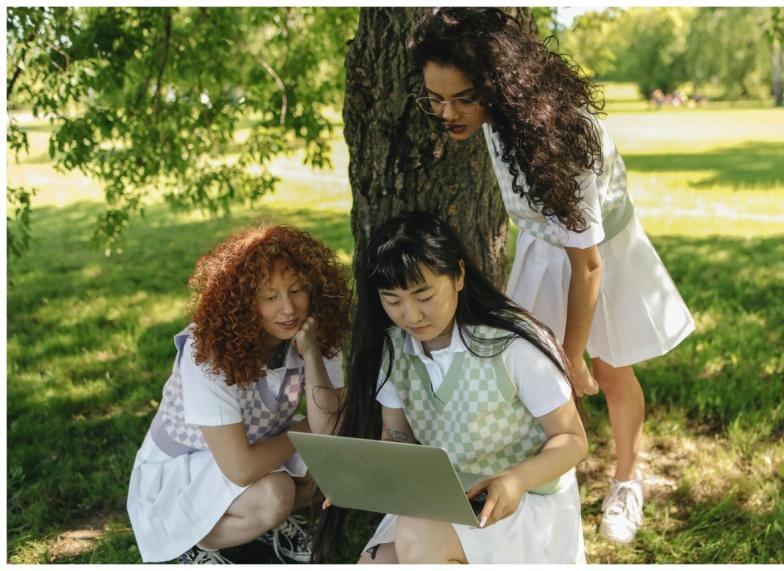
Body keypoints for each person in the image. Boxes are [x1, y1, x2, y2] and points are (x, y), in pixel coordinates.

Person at [410, 8, 696, 544]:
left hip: (600, 255)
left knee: (609, 372)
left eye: (462, 97)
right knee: (528, 378)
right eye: (435, 97)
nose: (446, 112)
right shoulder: (493, 120)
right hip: (545, 251)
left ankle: (627, 480)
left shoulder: (564, 138)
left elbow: (587, 265)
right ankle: (540, 483)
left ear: (498, 85)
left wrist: (572, 355)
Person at [314, 212, 588, 564]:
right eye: (393, 301)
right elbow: (397, 437)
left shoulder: (514, 346)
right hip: (441, 498)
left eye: (424, 295)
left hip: (524, 499)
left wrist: (515, 479)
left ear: (458, 275)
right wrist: (363, 477)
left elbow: (573, 440)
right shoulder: (395, 347)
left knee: (415, 533)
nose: (411, 315)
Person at [126, 223, 349, 563]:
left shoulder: (316, 330)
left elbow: (333, 428)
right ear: (245, 302)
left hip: (260, 447)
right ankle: (194, 544)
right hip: (187, 467)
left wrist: (312, 355)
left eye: (297, 290)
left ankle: (270, 524)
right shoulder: (209, 354)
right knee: (276, 494)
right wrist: (307, 432)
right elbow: (241, 468)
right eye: (269, 296)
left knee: (331, 466)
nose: (288, 309)